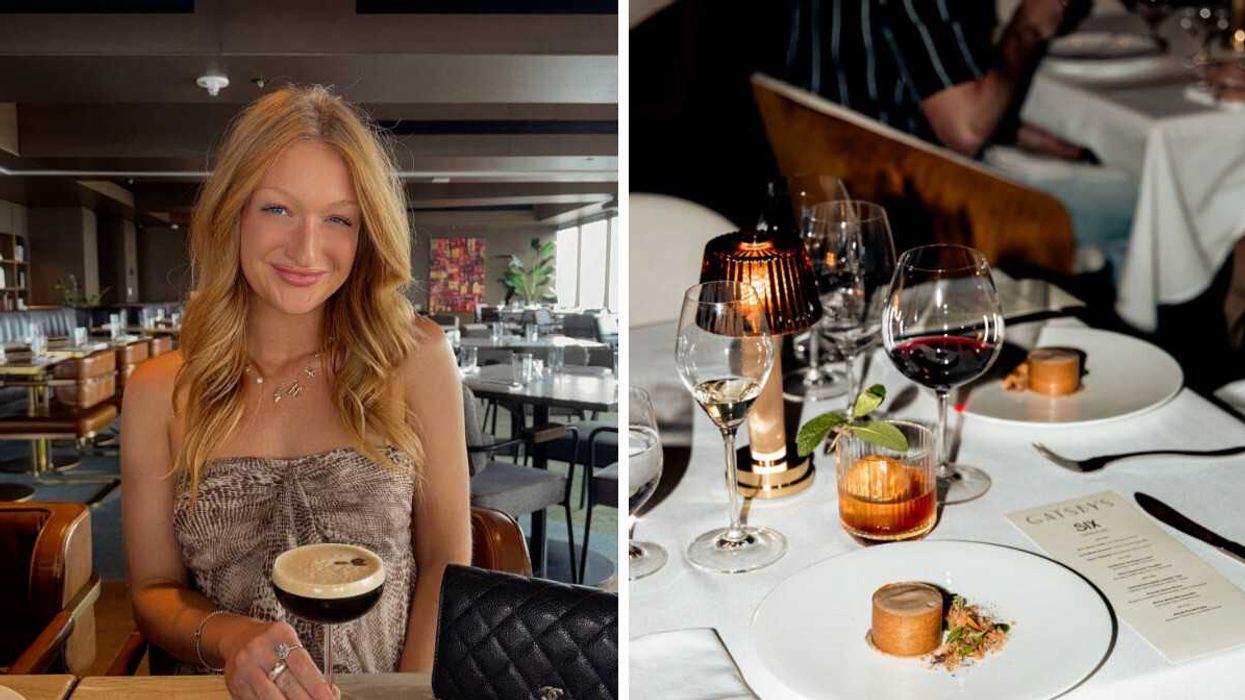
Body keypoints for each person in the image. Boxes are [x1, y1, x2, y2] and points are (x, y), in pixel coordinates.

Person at [121, 85, 471, 699]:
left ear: (366, 235)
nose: (307, 250)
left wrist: (408, 688)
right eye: (278, 210)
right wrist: (230, 638)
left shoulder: (414, 357)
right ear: (233, 212)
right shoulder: (159, 390)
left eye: (338, 218)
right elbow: (151, 594)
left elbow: (446, 561)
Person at [779, 0, 1135, 280]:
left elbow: (883, 76)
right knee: (1139, 205)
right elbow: (965, 133)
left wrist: (1012, 130)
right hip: (910, 205)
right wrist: (1028, 28)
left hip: (830, 181)